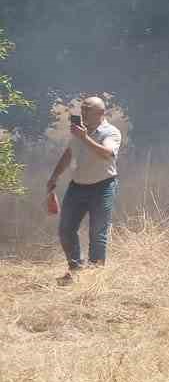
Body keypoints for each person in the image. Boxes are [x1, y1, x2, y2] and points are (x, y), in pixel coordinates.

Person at [45, 95, 121, 284]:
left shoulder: (111, 132)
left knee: (97, 232)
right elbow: (69, 153)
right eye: (83, 109)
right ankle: (76, 270)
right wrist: (54, 176)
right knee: (65, 229)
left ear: (101, 113)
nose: (83, 113)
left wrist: (84, 137)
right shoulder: (79, 132)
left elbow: (107, 155)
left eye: (88, 110)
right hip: (77, 187)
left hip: (103, 186)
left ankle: (95, 278)